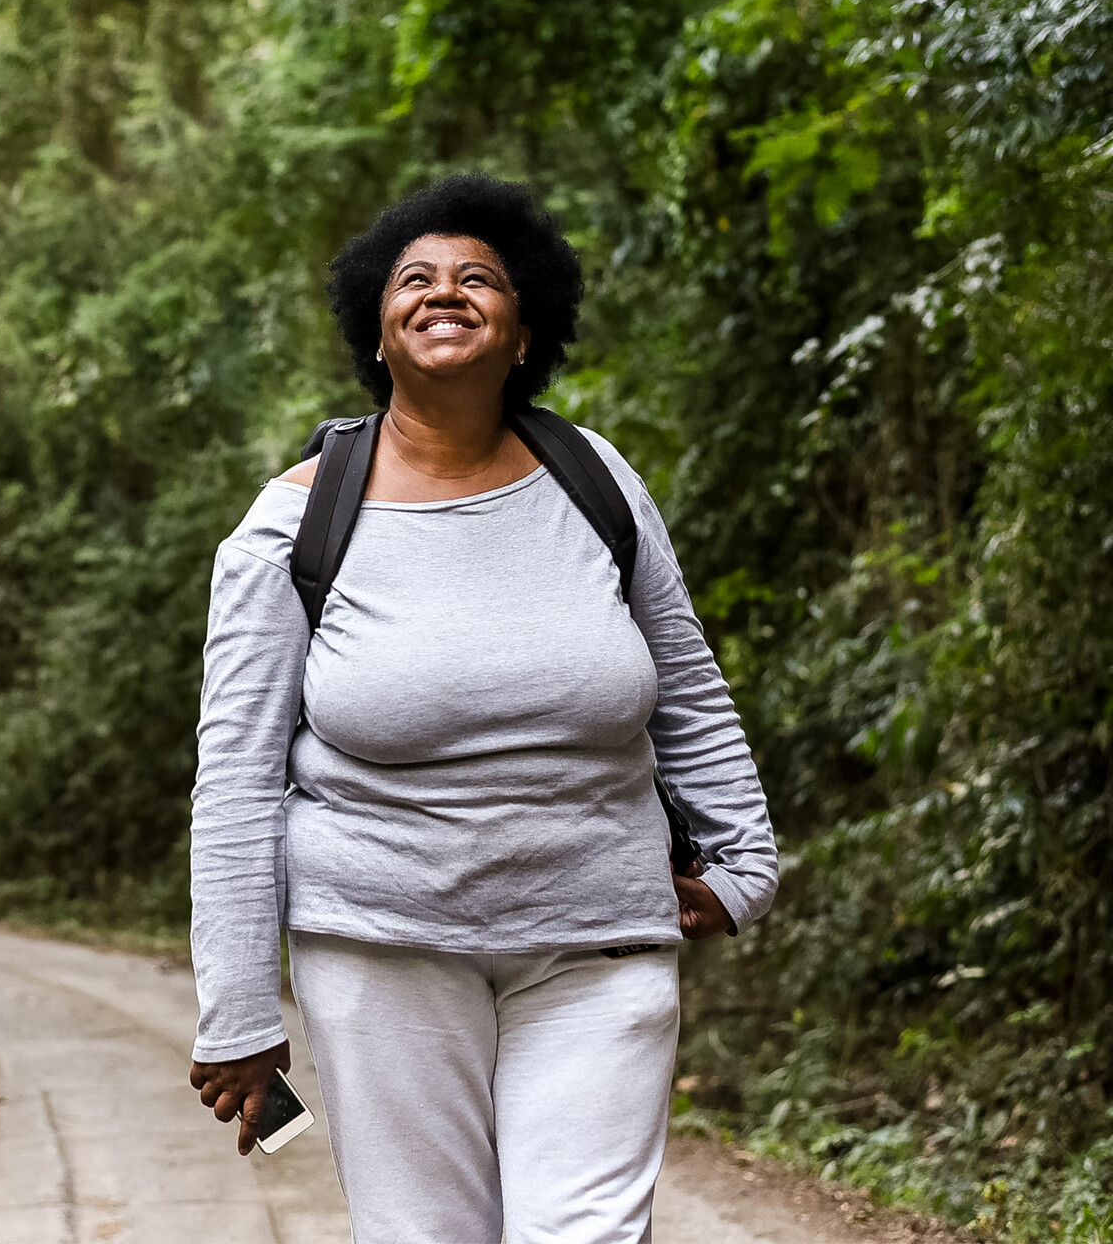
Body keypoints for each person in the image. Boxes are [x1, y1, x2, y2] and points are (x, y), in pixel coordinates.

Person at [187, 173, 778, 1243]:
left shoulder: (592, 478)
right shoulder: (290, 524)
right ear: (377, 329)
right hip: (381, 948)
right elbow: (236, 777)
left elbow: (684, 682)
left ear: (521, 330)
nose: (443, 290)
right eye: (413, 278)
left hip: (596, 938)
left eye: (478, 278)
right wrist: (237, 1005)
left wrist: (744, 864)